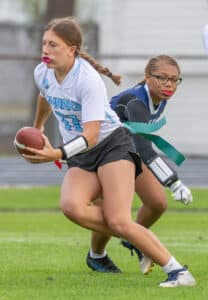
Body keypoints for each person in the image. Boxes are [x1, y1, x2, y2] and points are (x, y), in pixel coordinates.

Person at [22, 17, 196, 287]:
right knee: (72, 207)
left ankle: (178, 272)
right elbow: (45, 94)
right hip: (81, 152)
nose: (46, 50)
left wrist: (56, 154)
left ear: (72, 49)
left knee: (120, 218)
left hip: (111, 145)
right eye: (44, 43)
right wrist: (38, 128)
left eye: (53, 45)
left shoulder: (87, 80)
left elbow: (92, 136)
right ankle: (128, 238)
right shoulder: (42, 72)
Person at [86, 55, 193, 275]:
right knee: (109, 208)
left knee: (157, 203)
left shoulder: (159, 98)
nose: (168, 84)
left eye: (174, 80)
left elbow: (139, 140)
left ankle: (135, 239)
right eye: (162, 78)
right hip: (98, 153)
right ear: (147, 78)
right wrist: (174, 183)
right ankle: (97, 256)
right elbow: (144, 148)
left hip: (125, 151)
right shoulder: (135, 101)